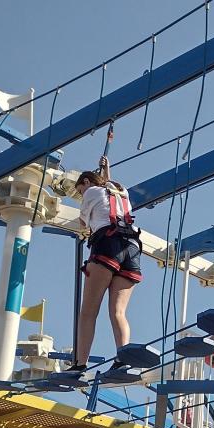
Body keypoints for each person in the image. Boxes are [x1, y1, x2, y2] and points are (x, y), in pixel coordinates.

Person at [68, 156, 142, 374]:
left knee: (88, 312)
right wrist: (107, 170)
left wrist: (86, 198)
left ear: (86, 183)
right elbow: (108, 187)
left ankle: (80, 364)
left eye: (80, 190)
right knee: (118, 312)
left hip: (107, 244)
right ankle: (123, 358)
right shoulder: (122, 192)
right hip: (132, 248)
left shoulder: (90, 192)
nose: (81, 194)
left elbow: (83, 223)